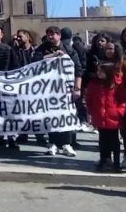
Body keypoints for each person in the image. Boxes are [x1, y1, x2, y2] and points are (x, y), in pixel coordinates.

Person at [33, 26, 83, 157]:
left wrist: (77, 88)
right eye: (48, 34)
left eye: (53, 34)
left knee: (65, 116)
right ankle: (53, 143)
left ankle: (67, 144)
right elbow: (35, 62)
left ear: (59, 35)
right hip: (49, 90)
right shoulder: (42, 49)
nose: (50, 36)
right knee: (51, 117)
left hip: (66, 90)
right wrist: (53, 56)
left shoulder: (70, 50)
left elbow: (78, 69)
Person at [86, 61, 126, 172]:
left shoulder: (117, 84)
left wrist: (119, 112)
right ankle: (104, 161)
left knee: (115, 141)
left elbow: (123, 100)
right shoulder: (94, 83)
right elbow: (89, 99)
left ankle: (116, 163)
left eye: (101, 71)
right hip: (100, 116)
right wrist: (92, 112)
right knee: (102, 141)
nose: (98, 73)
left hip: (113, 117)